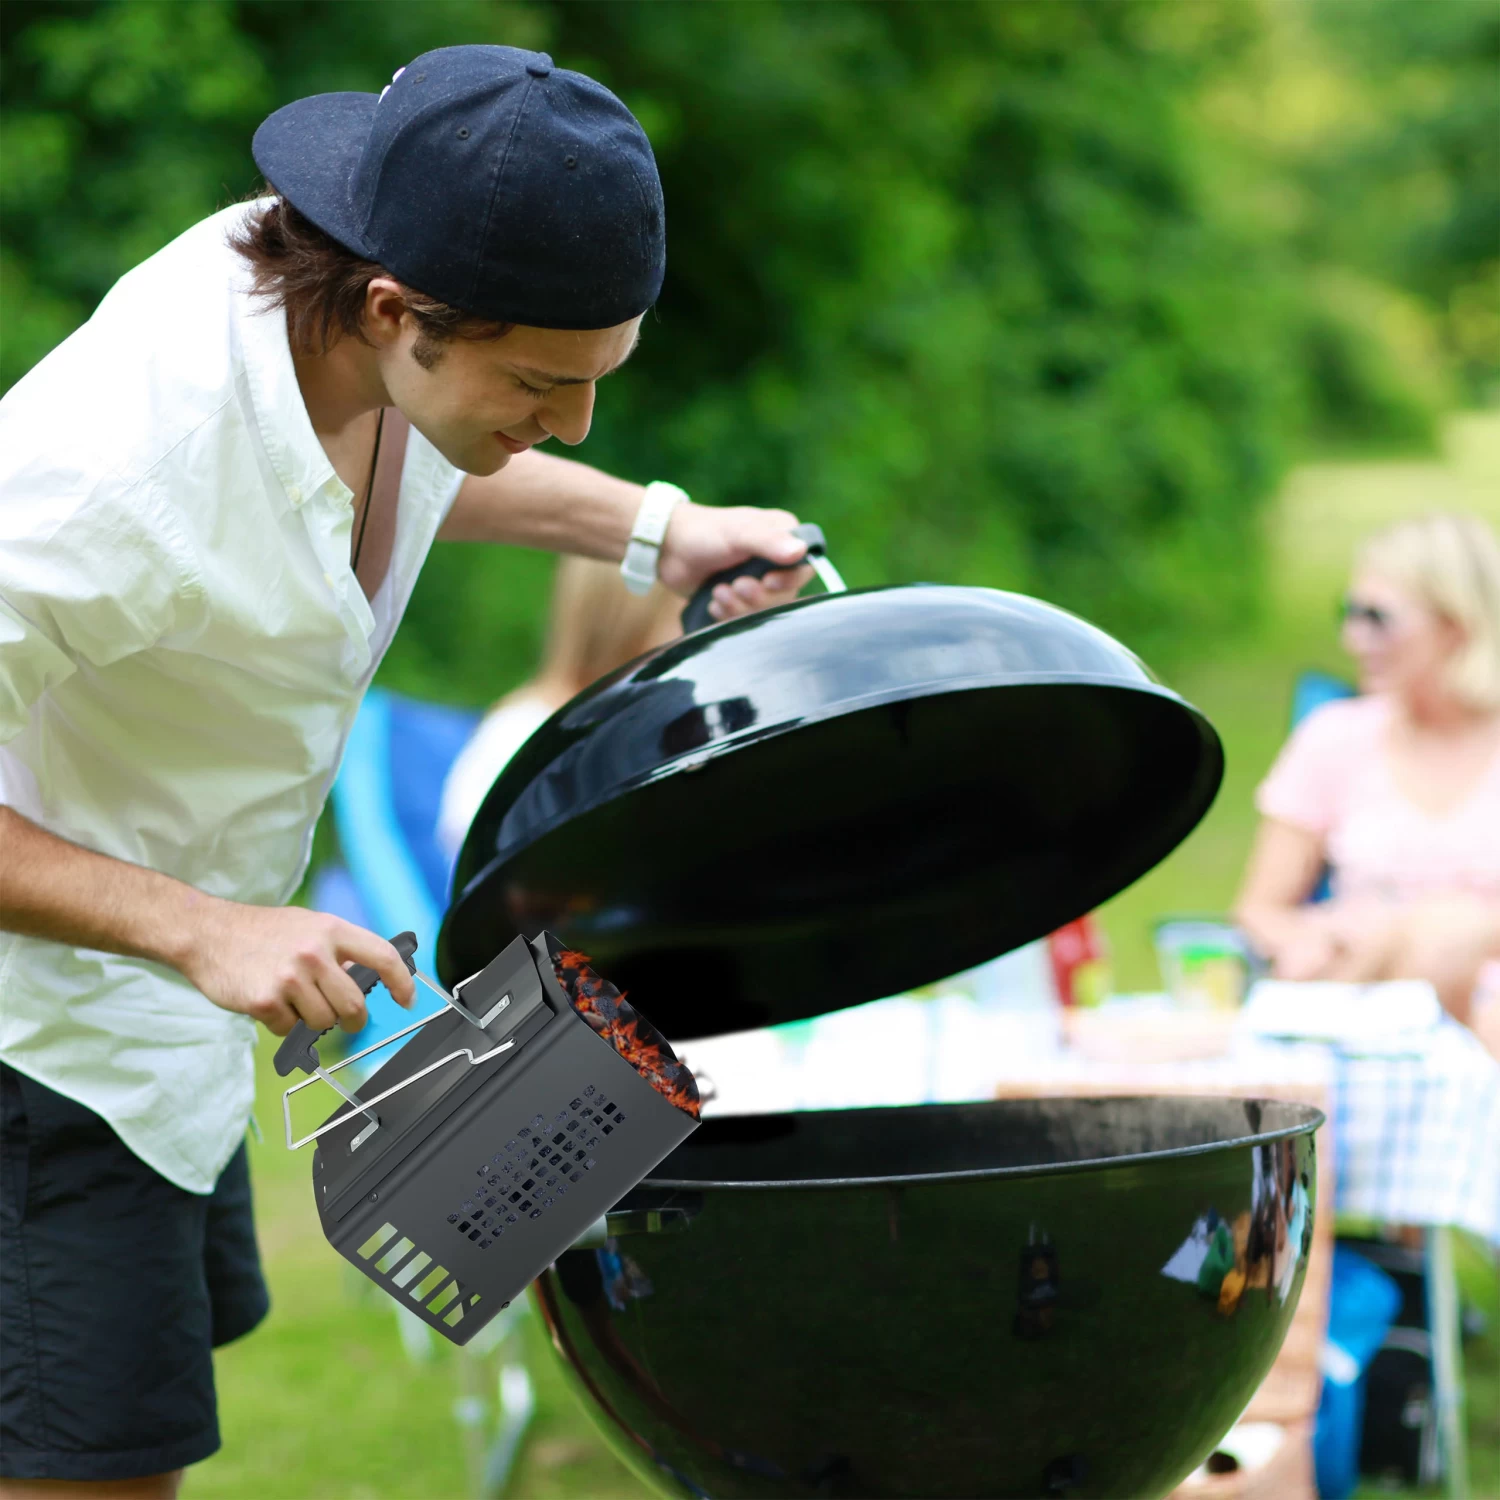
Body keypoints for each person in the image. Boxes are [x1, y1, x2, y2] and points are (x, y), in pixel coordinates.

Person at [0, 45, 813, 1496]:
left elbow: (447, 449)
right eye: (544, 385)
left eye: (596, 382)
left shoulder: (387, 306)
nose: (569, 424)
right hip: (40, 1039)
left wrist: (656, 532)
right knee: (92, 1467)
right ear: (396, 312)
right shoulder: (113, 471)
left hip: (165, 1020)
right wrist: (204, 926)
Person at [1235, 511, 1500, 1059]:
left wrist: (1442, 932)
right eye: (1349, 614)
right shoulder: (1334, 737)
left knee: (1452, 936)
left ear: (1457, 622)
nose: (1354, 638)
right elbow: (1260, 909)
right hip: (1362, 1001)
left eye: (1378, 617)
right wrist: (1314, 939)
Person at [437, 557, 681, 863]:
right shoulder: (522, 732)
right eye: (677, 616)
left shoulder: (644, 730)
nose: (685, 634)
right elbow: (476, 857)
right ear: (623, 624)